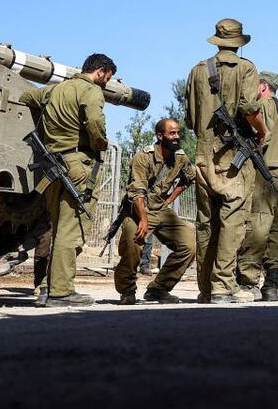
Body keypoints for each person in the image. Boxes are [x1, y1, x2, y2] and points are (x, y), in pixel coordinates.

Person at [21, 53, 117, 307]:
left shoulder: (54, 90)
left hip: (52, 167)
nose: (105, 84)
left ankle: (46, 288)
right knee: (70, 231)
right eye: (106, 79)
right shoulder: (91, 91)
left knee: (58, 229)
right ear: (99, 72)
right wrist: (100, 144)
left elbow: (26, 97)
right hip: (78, 166)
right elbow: (95, 123)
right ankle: (61, 292)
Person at [185, 18, 269, 304]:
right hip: (232, 154)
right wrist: (262, 130)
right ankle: (222, 286)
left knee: (206, 222)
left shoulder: (197, 70)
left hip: (202, 152)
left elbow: (190, 118)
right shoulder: (246, 68)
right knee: (232, 219)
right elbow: (248, 107)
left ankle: (206, 288)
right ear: (239, 42)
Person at [115, 118, 197, 304]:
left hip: (160, 207)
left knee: (189, 246)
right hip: (139, 208)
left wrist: (169, 199)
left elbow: (189, 176)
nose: (176, 137)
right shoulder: (143, 158)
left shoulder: (180, 157)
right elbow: (137, 191)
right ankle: (127, 290)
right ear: (160, 136)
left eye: (178, 132)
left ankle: (158, 289)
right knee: (132, 243)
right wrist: (143, 219)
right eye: (172, 133)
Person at [236, 71, 278, 301]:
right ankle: (277, 281)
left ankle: (248, 280)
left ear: (262, 87)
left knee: (258, 224)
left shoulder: (264, 106)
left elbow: (263, 137)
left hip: (264, 168)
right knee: (277, 228)